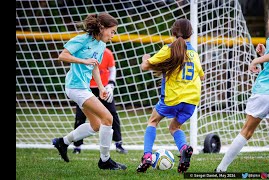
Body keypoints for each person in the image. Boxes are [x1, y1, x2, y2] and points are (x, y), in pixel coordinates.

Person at [214, 9, 269, 172]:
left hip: (263, 92)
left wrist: (256, 59)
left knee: (246, 132)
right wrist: (264, 54)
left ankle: (221, 169)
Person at [52, 12, 127, 170]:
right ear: (101, 28)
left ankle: (62, 142)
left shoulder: (101, 45)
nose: (113, 35)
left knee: (96, 125)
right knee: (108, 118)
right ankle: (105, 160)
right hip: (74, 87)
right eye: (112, 31)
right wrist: (82, 60)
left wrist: (101, 87)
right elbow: (62, 56)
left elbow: (94, 66)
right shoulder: (82, 39)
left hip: (83, 88)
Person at [136, 19, 205, 173]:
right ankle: (184, 149)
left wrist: (145, 59)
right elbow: (202, 76)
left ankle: (147, 156)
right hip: (192, 100)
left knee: (153, 121)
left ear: (173, 32)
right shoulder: (194, 53)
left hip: (172, 98)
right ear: (191, 34)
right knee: (174, 127)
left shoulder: (168, 49)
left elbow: (145, 66)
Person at [73, 47, 128, 155]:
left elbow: (112, 69)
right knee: (80, 115)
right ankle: (77, 146)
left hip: (103, 88)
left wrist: (111, 84)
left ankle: (118, 143)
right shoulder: (83, 53)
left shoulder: (107, 53)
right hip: (86, 88)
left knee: (112, 114)